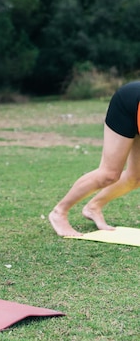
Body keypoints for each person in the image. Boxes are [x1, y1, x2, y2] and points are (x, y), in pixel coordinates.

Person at [49, 81, 140, 237]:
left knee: (135, 178)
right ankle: (59, 212)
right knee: (108, 174)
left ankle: (93, 207)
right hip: (128, 103)